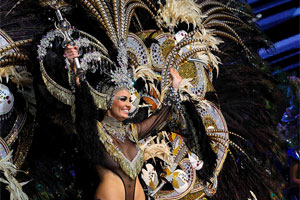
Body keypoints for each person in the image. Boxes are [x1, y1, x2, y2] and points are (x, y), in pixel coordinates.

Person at [65, 45, 183, 200]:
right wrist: (74, 66)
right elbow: (81, 109)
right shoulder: (95, 130)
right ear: (108, 102)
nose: (128, 104)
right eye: (123, 99)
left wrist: (174, 88)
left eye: (130, 100)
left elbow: (158, 119)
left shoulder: (131, 131)